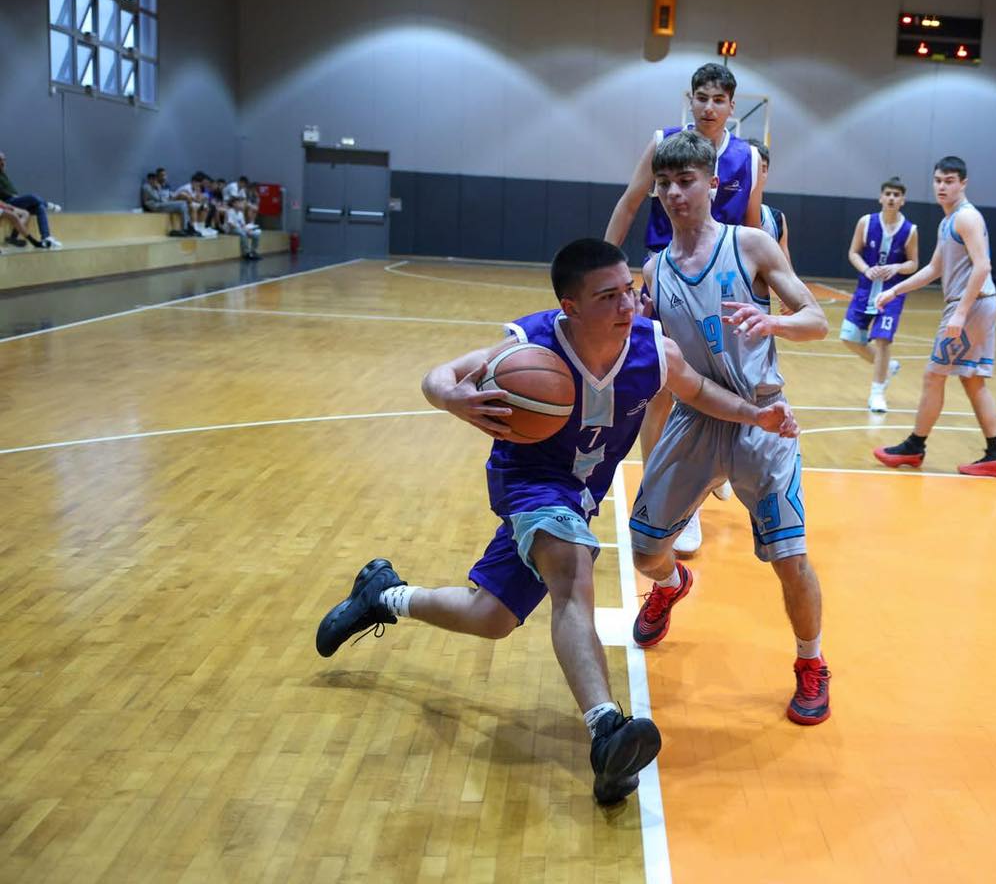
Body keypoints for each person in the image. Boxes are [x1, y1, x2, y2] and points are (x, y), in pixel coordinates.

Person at [314, 238, 799, 805]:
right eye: (608, 296)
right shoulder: (532, 344)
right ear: (570, 307)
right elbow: (439, 374)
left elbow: (696, 389)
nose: (628, 305)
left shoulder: (652, 349)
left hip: (578, 494)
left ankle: (383, 595)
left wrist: (754, 414)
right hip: (529, 483)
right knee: (572, 572)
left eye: (630, 291)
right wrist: (452, 398)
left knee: (490, 616)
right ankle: (606, 731)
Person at [626, 130, 833, 726]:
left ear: (713, 184)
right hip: (695, 418)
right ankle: (671, 584)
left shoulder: (752, 246)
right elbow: (658, 354)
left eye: (686, 181)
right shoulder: (655, 270)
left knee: (789, 558)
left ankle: (811, 663)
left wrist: (775, 325)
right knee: (645, 553)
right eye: (664, 184)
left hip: (763, 420)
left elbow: (816, 320)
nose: (674, 193)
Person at [605, 62, 765, 555]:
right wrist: (606, 268)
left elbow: (754, 226)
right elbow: (630, 202)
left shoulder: (747, 157)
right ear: (689, 100)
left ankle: (712, 471)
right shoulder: (664, 143)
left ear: (732, 107)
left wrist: (762, 296)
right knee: (661, 391)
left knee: (725, 386)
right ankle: (669, 498)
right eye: (701, 97)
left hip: (724, 289)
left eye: (719, 100)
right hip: (666, 282)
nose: (709, 107)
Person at [873, 156, 996, 478]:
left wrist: (960, 314)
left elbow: (983, 266)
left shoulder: (966, 217)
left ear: (963, 183)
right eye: (938, 180)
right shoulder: (948, 221)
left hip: (971, 305)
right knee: (972, 379)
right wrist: (894, 290)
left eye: (949, 181)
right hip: (979, 304)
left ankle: (914, 446)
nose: (942, 187)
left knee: (933, 376)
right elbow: (934, 269)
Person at [839, 176, 919, 413]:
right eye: (888, 194)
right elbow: (853, 253)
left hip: (892, 293)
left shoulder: (910, 230)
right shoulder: (866, 222)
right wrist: (866, 269)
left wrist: (897, 267)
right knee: (849, 337)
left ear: (903, 200)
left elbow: (914, 264)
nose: (892, 198)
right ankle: (887, 367)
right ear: (881, 197)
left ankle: (877, 394)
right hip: (866, 290)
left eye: (897, 195)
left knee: (882, 340)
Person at [0, 151, 63, 249]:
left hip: (15, 200)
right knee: (33, 197)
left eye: (4, 159)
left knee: (39, 207)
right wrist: (13, 196)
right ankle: (48, 205)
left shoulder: (3, 173)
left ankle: (46, 237)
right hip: (8, 202)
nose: (3, 162)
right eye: (1, 160)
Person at [142, 171, 197, 236]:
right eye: (153, 179)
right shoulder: (146, 187)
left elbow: (165, 197)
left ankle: (189, 227)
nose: (155, 181)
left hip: (161, 204)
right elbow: (158, 199)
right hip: (156, 206)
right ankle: (185, 228)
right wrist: (159, 189)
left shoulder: (154, 187)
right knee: (182, 204)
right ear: (149, 179)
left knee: (184, 204)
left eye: (155, 180)